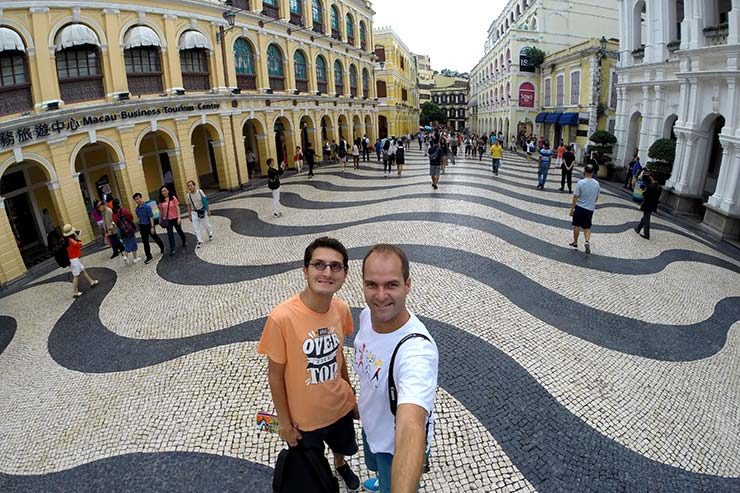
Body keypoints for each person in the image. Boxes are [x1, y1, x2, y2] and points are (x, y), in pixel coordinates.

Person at [257, 237, 361, 492]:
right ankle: (326, 474)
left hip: (339, 407)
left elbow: (339, 355)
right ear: (305, 270)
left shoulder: (341, 309)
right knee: (313, 467)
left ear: (345, 274)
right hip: (303, 421)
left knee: (342, 447)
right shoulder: (281, 318)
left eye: (336, 266)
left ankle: (341, 465)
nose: (327, 272)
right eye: (319, 264)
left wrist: (350, 392)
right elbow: (275, 376)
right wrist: (284, 423)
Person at [355, 244, 439, 493]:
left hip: (394, 447)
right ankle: (382, 480)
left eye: (391, 285)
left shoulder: (416, 351)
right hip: (372, 426)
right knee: (376, 466)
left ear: (407, 284)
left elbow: (410, 425)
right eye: (372, 285)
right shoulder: (366, 316)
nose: (380, 296)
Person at [569, 164, 600, 254]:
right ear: (593, 172)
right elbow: (596, 197)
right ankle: (586, 241)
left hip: (580, 207)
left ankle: (575, 242)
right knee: (587, 227)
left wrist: (572, 208)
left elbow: (576, 196)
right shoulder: (596, 184)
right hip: (590, 209)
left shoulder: (581, 183)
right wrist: (592, 204)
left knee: (576, 225)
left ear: (585, 171)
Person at [62, 223, 99, 298]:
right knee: (76, 276)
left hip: (73, 259)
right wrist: (77, 237)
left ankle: (91, 282)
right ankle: (75, 292)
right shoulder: (71, 240)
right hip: (74, 260)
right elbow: (79, 244)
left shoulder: (66, 240)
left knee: (83, 270)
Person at [134, 192, 164, 264]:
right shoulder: (137, 209)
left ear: (141, 198)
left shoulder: (147, 207)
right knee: (145, 242)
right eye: (136, 199)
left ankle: (162, 247)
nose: (137, 200)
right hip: (142, 226)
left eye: (138, 198)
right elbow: (139, 217)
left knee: (155, 237)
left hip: (149, 225)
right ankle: (149, 256)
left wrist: (152, 227)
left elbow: (151, 217)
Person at [158, 185, 187, 256]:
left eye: (165, 190)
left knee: (179, 231)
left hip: (175, 218)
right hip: (167, 220)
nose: (164, 192)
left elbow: (177, 208)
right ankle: (172, 248)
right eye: (162, 191)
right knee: (170, 234)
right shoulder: (161, 201)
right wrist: (160, 219)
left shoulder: (173, 198)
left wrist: (179, 218)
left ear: (168, 190)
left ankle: (184, 240)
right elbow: (161, 211)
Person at [112, 198, 140, 265]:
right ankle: (132, 257)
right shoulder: (123, 210)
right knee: (133, 243)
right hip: (129, 229)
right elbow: (131, 217)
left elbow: (116, 223)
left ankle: (128, 256)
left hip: (122, 231)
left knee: (127, 244)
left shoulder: (114, 214)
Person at [186, 180, 213, 248]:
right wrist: (189, 215)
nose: (190, 187)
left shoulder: (200, 192)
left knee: (206, 225)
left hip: (202, 210)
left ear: (194, 185)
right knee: (196, 228)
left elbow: (205, 201)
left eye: (191, 185)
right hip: (194, 212)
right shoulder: (188, 195)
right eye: (188, 186)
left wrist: (208, 210)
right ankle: (200, 241)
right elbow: (188, 205)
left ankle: (210, 233)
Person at [634, 173, 661, 240]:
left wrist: (644, 191)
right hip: (653, 205)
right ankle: (638, 228)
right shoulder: (659, 187)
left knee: (646, 219)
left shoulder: (650, 187)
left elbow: (645, 195)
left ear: (652, 178)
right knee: (645, 217)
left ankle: (647, 234)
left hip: (647, 204)